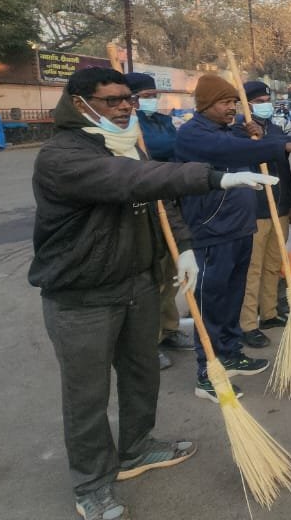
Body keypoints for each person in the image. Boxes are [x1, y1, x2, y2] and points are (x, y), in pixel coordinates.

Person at [30, 67, 277, 520]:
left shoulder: (129, 145)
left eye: (128, 98)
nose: (125, 107)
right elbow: (135, 183)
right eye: (113, 101)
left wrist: (182, 249)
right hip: (83, 294)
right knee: (87, 394)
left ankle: (137, 448)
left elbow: (160, 203)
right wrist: (217, 179)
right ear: (80, 103)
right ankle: (92, 484)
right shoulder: (63, 155)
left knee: (142, 373)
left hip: (138, 283)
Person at [173, 74, 291, 400]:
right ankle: (207, 370)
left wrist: (259, 131)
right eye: (225, 103)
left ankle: (229, 353)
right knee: (210, 301)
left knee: (232, 298)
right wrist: (281, 144)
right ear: (205, 105)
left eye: (233, 102)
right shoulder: (192, 135)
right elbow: (230, 150)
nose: (232, 109)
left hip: (240, 226)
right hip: (210, 230)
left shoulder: (232, 127)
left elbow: (244, 134)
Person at [124, 72, 189, 371]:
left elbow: (177, 153)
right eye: (145, 96)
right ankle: (148, 341)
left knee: (172, 272)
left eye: (153, 95)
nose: (152, 100)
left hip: (169, 199)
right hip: (143, 205)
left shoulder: (162, 122)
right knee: (152, 279)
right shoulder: (126, 128)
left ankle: (170, 329)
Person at [232, 81, 291, 351]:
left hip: (279, 208)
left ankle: (269, 312)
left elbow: (285, 164)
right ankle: (248, 323)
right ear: (245, 105)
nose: (264, 104)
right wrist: (255, 138)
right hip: (256, 211)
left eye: (266, 99)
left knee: (273, 264)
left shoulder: (274, 130)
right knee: (253, 269)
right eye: (257, 101)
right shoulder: (238, 132)